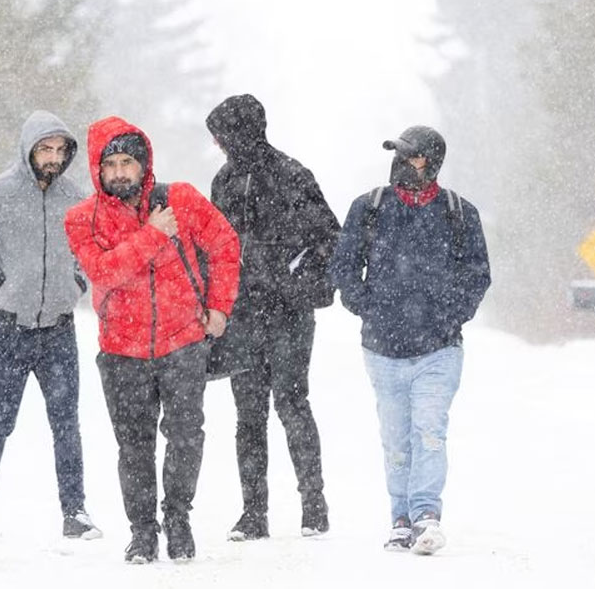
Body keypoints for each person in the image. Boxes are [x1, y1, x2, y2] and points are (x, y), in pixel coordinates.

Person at [64, 116, 240, 564]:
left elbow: (224, 244)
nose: (121, 171)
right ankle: (143, 532)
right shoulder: (81, 219)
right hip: (121, 350)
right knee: (134, 446)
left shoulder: (178, 199)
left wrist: (219, 307)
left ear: (145, 165)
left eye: (129, 162)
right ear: (97, 169)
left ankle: (177, 518)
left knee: (186, 436)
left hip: (182, 342)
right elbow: (105, 272)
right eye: (112, 164)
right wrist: (152, 234)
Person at [329, 126, 491, 555]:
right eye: (400, 155)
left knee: (430, 431)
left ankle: (426, 515)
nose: (403, 163)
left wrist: (450, 314)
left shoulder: (459, 212)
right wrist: (366, 305)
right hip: (382, 349)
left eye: (413, 156)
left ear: (431, 162)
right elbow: (343, 266)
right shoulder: (369, 208)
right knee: (396, 437)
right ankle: (400, 519)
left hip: (440, 349)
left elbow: (477, 274)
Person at [0, 110, 101, 539]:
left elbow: (94, 247)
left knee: (66, 422)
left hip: (57, 329)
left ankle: (76, 512)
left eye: (59, 150)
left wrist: (77, 283)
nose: (52, 157)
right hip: (7, 329)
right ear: (28, 149)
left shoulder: (76, 198)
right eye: (44, 149)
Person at [204, 94, 340, 541]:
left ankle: (313, 503)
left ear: (241, 131)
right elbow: (212, 248)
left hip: (289, 315)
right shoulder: (222, 181)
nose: (220, 146)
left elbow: (329, 239)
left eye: (222, 136)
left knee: (291, 403)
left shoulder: (292, 175)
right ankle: (253, 512)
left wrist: (298, 283)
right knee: (248, 414)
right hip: (239, 315)